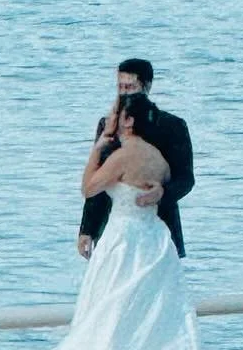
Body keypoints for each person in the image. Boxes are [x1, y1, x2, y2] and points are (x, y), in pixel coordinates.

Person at [34, 91, 201, 350]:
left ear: (128, 120)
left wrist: (97, 149)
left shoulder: (122, 157)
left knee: (111, 308)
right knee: (146, 311)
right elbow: (170, 186)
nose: (109, 117)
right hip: (154, 240)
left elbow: (89, 188)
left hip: (124, 240)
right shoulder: (158, 158)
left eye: (115, 112)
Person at [78, 57, 194, 261]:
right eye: (120, 87)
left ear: (147, 86)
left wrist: (163, 192)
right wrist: (87, 229)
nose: (124, 93)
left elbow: (185, 178)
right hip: (114, 222)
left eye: (130, 87)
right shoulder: (108, 125)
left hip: (160, 222)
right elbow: (98, 177)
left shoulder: (172, 126)